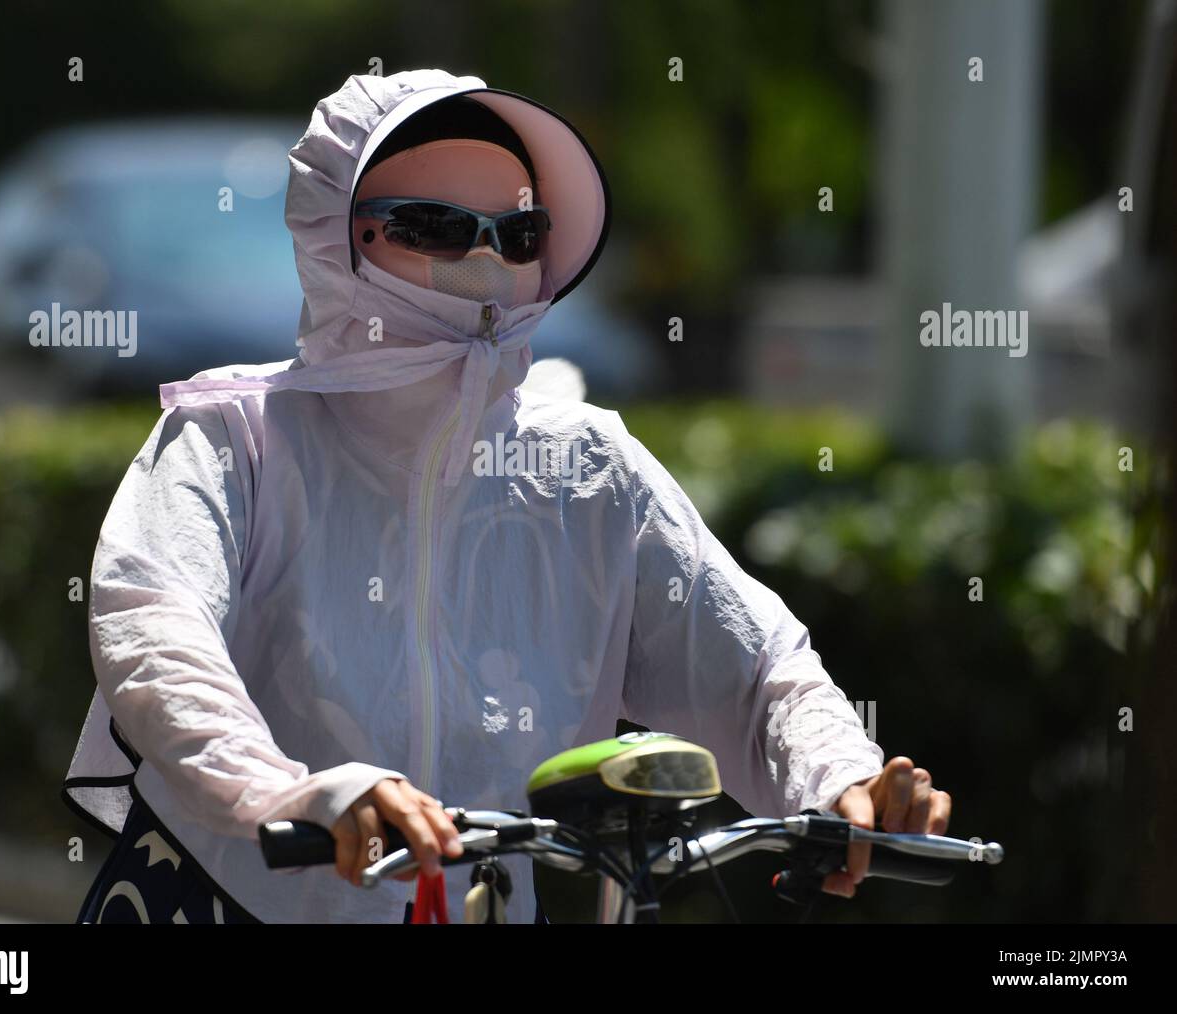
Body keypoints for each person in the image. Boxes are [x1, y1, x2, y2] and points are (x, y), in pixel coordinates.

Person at [64, 68, 950, 924]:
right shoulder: (237, 437)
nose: (487, 259)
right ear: (336, 236)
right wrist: (292, 792)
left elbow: (755, 669)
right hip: (223, 901)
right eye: (436, 225)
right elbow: (154, 629)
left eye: (518, 235)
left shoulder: (591, 464)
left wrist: (842, 779)